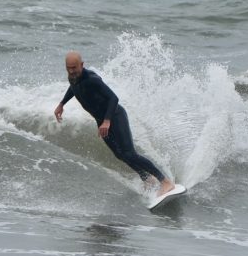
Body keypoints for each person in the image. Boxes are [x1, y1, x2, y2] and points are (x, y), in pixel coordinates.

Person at [54, 51, 175, 196]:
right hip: (101, 121)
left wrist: (106, 121)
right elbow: (73, 88)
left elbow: (113, 98)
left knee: (130, 153)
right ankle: (147, 179)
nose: (71, 71)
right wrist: (62, 104)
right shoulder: (73, 77)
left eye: (74, 67)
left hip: (115, 117)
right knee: (120, 155)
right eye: (69, 68)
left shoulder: (92, 79)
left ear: (82, 65)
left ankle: (165, 181)